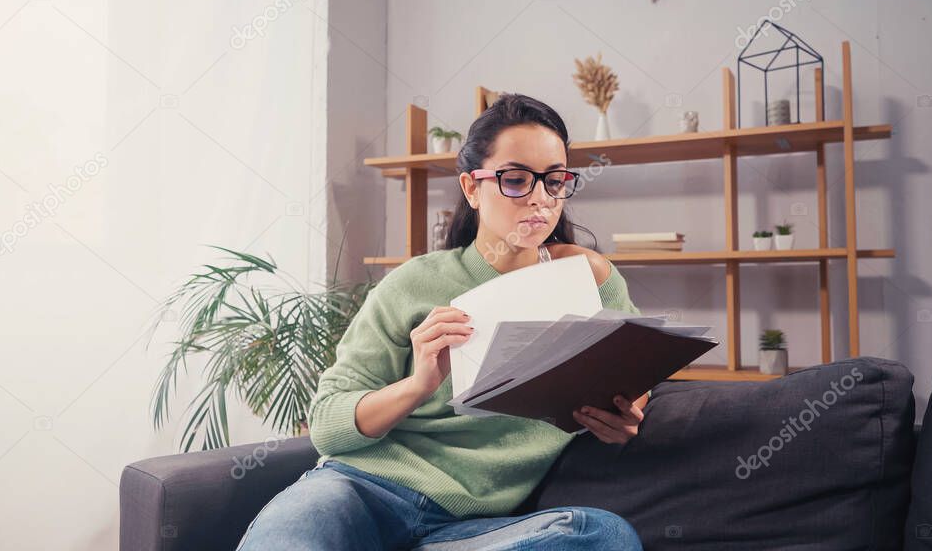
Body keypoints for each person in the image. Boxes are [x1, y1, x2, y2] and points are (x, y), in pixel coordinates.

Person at [236, 94, 647, 550]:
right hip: (360, 492)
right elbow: (327, 424)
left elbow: (633, 377)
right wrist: (418, 385)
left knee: (603, 535)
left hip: (470, 528)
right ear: (472, 188)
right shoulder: (413, 283)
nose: (539, 198)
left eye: (554, 181)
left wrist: (625, 417)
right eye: (515, 180)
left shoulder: (592, 281)